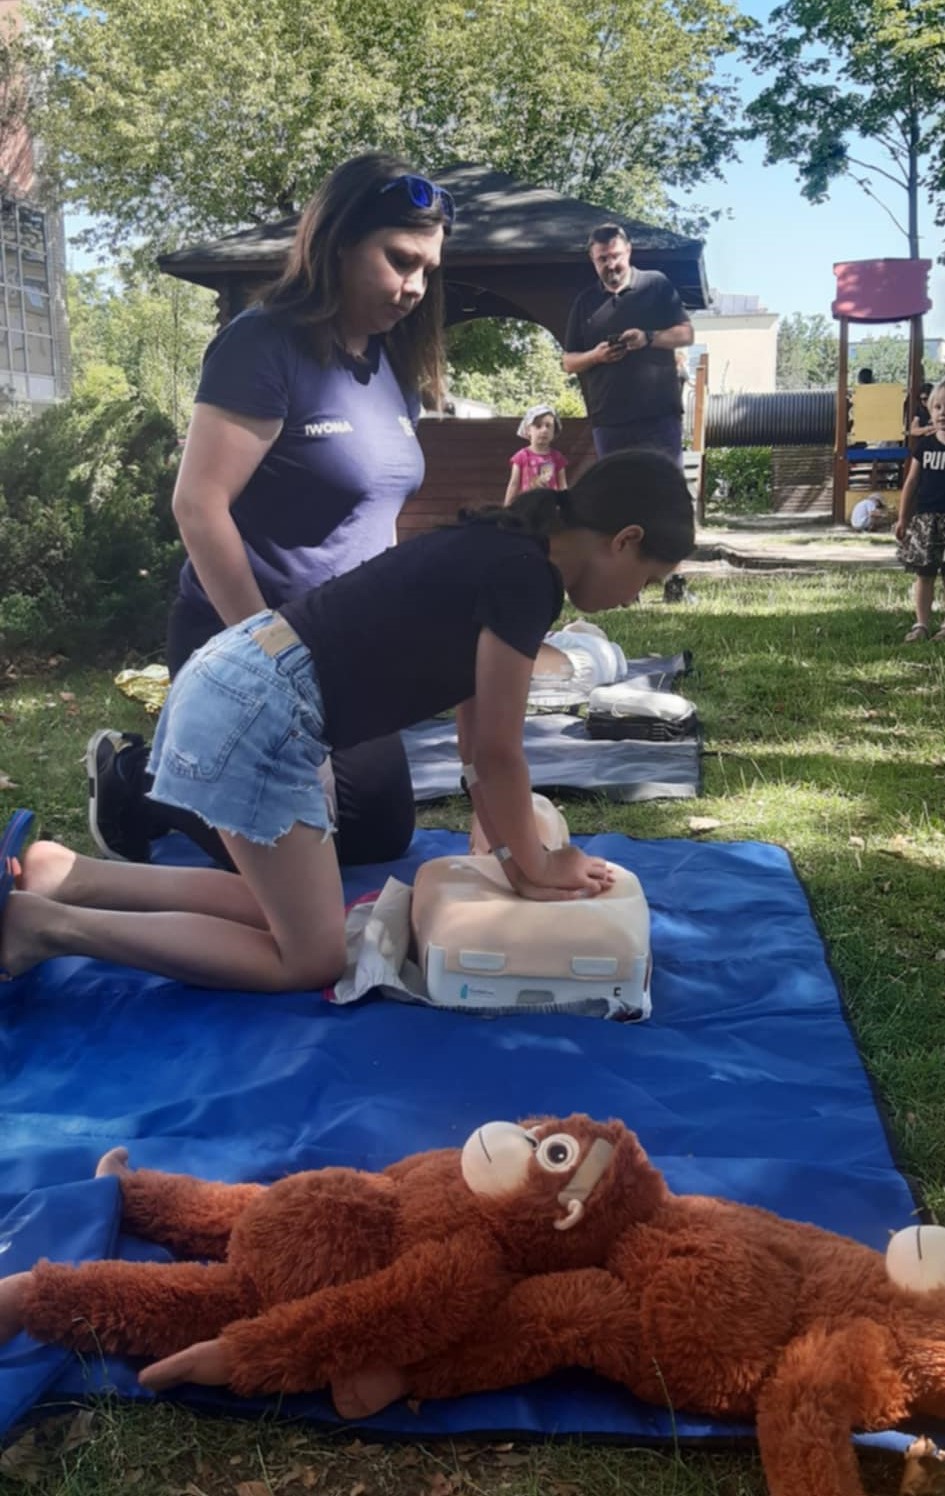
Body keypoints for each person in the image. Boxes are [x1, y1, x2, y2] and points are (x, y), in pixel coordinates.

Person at [2, 450, 694, 993]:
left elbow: (474, 737)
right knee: (308, 957)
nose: (633, 599)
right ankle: (48, 926)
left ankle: (71, 876)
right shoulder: (529, 578)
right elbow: (497, 751)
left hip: (238, 675)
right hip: (259, 712)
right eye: (646, 579)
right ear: (624, 540)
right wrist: (538, 864)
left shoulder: (506, 547)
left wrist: (508, 853)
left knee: (276, 905)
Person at [86, 152, 455, 871]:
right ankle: (139, 782)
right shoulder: (263, 343)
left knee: (375, 832)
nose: (414, 287)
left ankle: (183, 776)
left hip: (342, 646)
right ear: (339, 242)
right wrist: (269, 657)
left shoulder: (391, 366)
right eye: (399, 260)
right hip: (242, 639)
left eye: (427, 270)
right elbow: (198, 506)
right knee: (277, 851)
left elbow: (375, 513)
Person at [561, 224, 694, 463]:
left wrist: (648, 338)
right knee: (616, 487)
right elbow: (568, 362)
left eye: (616, 256)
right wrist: (595, 356)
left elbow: (686, 335)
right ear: (592, 259)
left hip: (659, 418)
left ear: (629, 251)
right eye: (602, 259)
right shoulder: (585, 302)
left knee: (665, 485)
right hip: (609, 423)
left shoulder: (656, 285)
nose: (611, 264)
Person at [895, 380, 945, 643]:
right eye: (938, 407)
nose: (942, 413)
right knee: (924, 574)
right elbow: (911, 483)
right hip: (926, 519)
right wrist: (903, 518)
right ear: (930, 410)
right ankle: (921, 624)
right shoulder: (924, 447)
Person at [504, 404, 568, 504]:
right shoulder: (521, 456)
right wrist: (507, 508)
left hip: (551, 507)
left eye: (548, 426)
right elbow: (514, 484)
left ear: (554, 430)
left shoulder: (557, 457)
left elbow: (562, 486)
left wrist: (566, 507)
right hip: (527, 507)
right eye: (538, 426)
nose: (544, 430)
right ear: (528, 430)